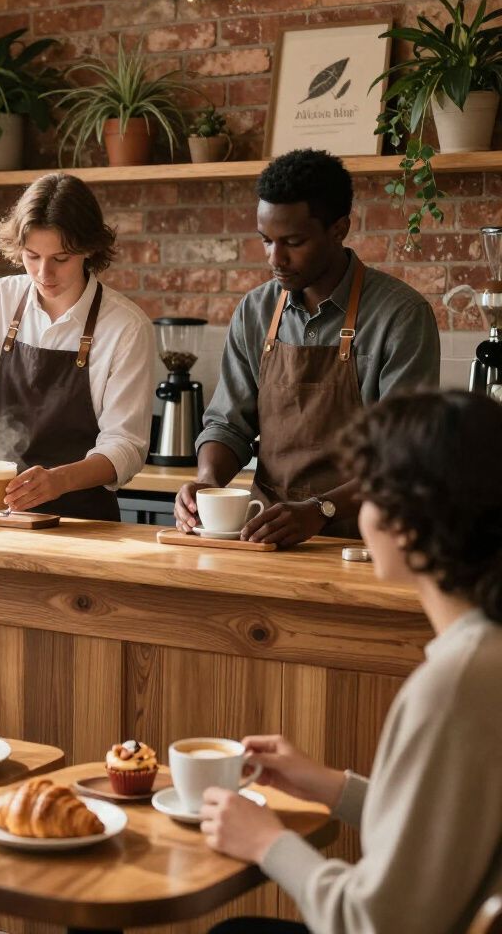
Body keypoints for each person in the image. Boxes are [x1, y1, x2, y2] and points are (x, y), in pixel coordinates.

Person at [200, 391, 502, 934]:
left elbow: (373, 921)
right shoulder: (485, 654)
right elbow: (443, 832)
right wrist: (330, 786)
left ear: (409, 523)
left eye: (372, 495)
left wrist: (269, 842)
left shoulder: (453, 686)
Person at [175, 149, 440, 546]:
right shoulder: (256, 310)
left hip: (367, 544)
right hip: (265, 537)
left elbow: (404, 460)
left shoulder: (401, 315)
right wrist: (208, 485)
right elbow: (228, 425)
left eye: (293, 242)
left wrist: (321, 510)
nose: (275, 258)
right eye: (266, 241)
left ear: (338, 229)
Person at [0, 172, 156, 521]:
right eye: (32, 256)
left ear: (89, 248)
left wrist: (58, 480)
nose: (43, 273)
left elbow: (126, 446)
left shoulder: (126, 327)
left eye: (61, 258)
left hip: (83, 525)